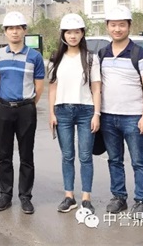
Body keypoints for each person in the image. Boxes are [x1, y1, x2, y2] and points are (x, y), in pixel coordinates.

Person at [100, 5, 143, 220]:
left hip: (133, 116)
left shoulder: (140, 53)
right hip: (107, 116)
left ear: (129, 26)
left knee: (139, 160)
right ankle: (119, 197)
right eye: (113, 25)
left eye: (122, 25)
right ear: (107, 26)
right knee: (114, 159)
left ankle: (142, 201)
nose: (117, 29)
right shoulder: (102, 53)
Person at [48, 13, 101, 214]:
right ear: (63, 34)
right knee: (67, 156)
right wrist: (51, 114)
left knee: (85, 156)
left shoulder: (91, 58)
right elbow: (52, 89)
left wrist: (97, 114)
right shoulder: (55, 58)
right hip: (62, 111)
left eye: (76, 32)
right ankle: (69, 197)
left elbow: (96, 88)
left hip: (86, 110)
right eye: (68, 32)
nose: (72, 36)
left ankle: (86, 198)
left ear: (82, 34)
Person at [0, 11, 45, 214]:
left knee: (26, 155)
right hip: (4, 109)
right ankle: (5, 195)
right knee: (4, 154)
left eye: (18, 28)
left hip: (26, 110)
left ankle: (25, 196)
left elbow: (39, 87)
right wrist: (5, 101)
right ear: (5, 31)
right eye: (10, 28)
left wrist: (27, 104)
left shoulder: (35, 56)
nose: (14, 32)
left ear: (25, 30)